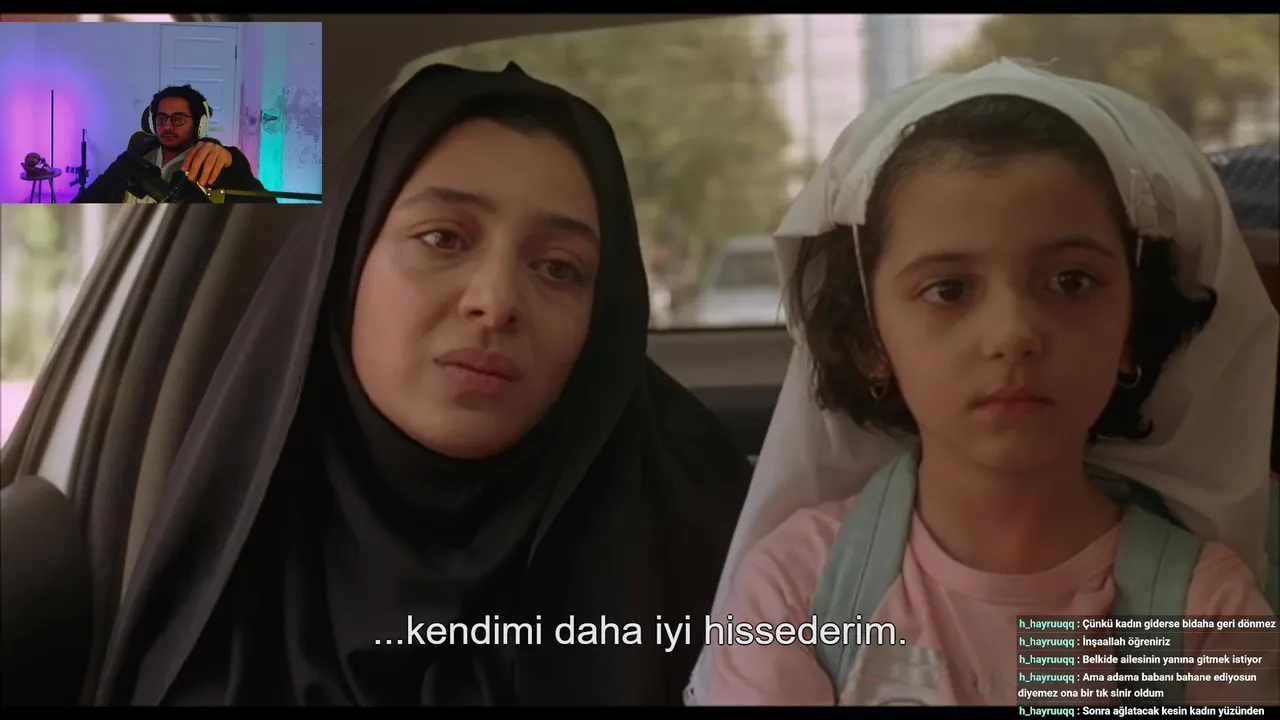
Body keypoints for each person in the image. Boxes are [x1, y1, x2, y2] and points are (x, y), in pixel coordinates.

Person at [91, 63, 751, 705]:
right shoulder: (230, 575)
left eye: (558, 268)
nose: (495, 302)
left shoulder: (717, 567)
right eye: (443, 238)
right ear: (347, 262)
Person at [687, 61, 1279, 706]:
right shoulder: (799, 588)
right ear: (869, 342)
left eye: (1070, 282)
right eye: (949, 290)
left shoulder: (1202, 613)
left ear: (1132, 328)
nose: (1013, 334)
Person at [72, 84, 275, 203]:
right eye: (162, 118)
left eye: (178, 119)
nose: (168, 126)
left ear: (199, 124)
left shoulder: (213, 164)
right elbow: (87, 201)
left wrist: (233, 162)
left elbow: (266, 207)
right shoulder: (130, 160)